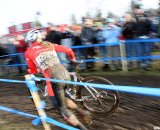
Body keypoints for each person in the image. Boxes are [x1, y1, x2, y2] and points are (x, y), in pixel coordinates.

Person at [24, 29, 90, 130]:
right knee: (63, 98)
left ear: (30, 41)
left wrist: (30, 71)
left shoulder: (28, 52)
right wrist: (72, 60)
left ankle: (82, 128)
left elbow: (33, 71)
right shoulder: (49, 44)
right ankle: (82, 112)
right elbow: (69, 50)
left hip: (54, 78)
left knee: (60, 107)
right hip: (65, 74)